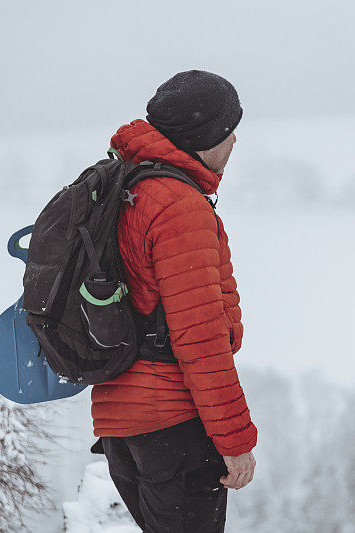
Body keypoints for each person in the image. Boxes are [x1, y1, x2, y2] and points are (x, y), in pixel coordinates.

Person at [89, 70, 257, 532]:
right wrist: (236, 439)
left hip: (120, 424)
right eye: (227, 130)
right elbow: (200, 337)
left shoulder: (127, 187)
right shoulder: (178, 206)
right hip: (173, 427)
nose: (235, 141)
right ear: (204, 138)